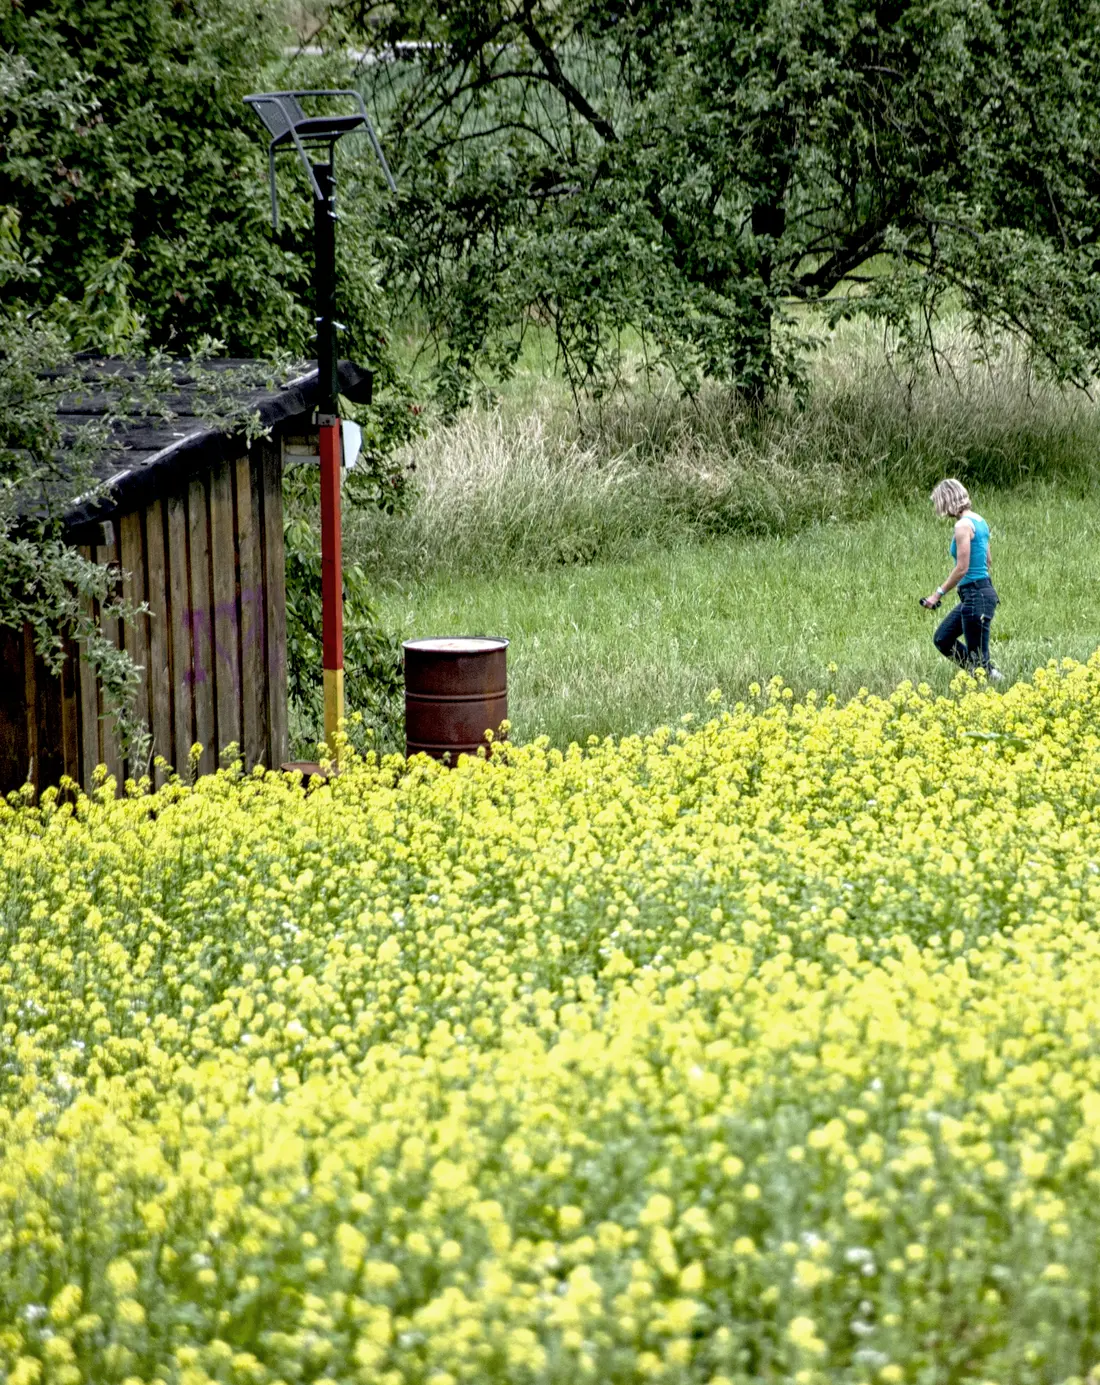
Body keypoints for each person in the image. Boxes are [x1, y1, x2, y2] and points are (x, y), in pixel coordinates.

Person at [922, 478, 1001, 678]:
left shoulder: (962, 526)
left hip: (976, 595)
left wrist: (937, 594)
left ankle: (986, 677)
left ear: (947, 500)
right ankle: (985, 674)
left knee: (978, 658)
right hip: (979, 593)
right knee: (943, 638)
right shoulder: (980, 521)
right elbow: (988, 560)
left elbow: (962, 568)